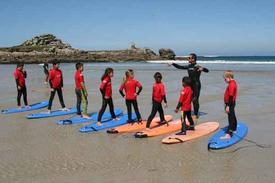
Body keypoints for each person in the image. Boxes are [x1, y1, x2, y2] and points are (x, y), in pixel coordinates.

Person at [169, 53, 209, 120]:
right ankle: (187, 112)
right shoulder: (189, 66)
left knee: (195, 100)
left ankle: (196, 114)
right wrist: (173, 64)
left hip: (196, 85)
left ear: (193, 59)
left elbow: (207, 70)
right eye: (188, 58)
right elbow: (180, 67)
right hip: (189, 85)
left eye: (189, 58)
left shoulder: (197, 66)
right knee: (187, 99)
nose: (188, 59)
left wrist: (203, 69)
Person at [221, 70, 238, 139]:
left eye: (225, 79)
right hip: (232, 103)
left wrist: (228, 106)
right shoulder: (233, 83)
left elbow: (231, 96)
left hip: (230, 103)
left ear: (229, 77)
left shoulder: (231, 84)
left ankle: (229, 134)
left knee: (230, 118)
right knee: (233, 116)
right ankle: (234, 129)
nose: (224, 80)